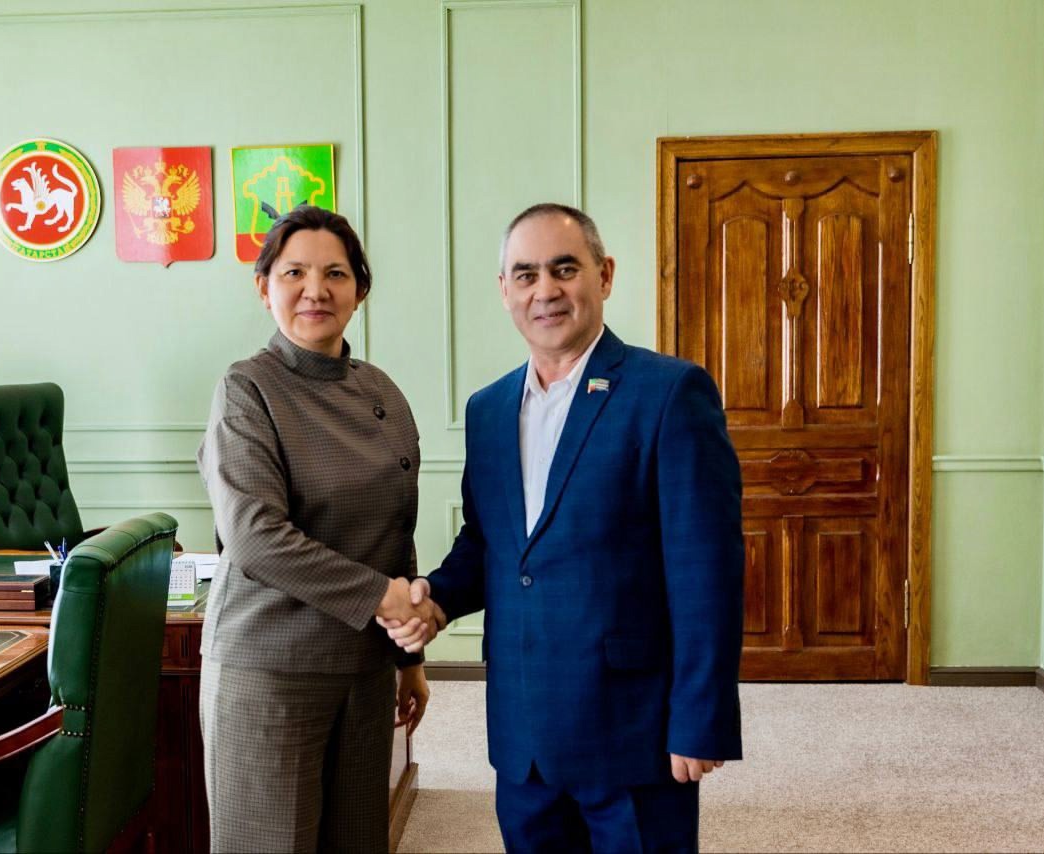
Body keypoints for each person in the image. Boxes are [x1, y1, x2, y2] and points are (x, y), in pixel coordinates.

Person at [383, 203, 745, 852]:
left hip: (634, 734)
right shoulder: (489, 409)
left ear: (604, 276)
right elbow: (491, 544)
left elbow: (707, 568)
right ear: (505, 290)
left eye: (564, 269)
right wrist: (435, 601)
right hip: (523, 737)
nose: (544, 290)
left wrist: (702, 717)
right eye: (525, 275)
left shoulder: (669, 393)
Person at [197, 205, 434, 853]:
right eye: (294, 272)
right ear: (264, 287)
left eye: (335, 273)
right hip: (270, 669)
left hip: (363, 667)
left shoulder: (381, 390)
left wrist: (408, 660)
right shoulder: (247, 389)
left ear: (360, 291)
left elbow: (395, 529)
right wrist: (384, 599)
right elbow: (254, 536)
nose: (315, 290)